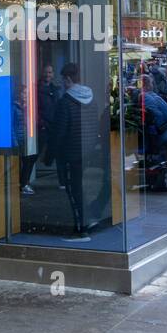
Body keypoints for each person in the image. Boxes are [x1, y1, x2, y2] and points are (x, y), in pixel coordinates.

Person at [43, 62, 99, 239]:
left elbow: (59, 132)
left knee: (74, 190)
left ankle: (81, 228)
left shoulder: (65, 102)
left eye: (63, 79)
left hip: (69, 153)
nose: (63, 82)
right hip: (86, 151)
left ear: (67, 78)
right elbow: (94, 125)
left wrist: (49, 156)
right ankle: (87, 218)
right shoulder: (91, 98)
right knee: (79, 186)